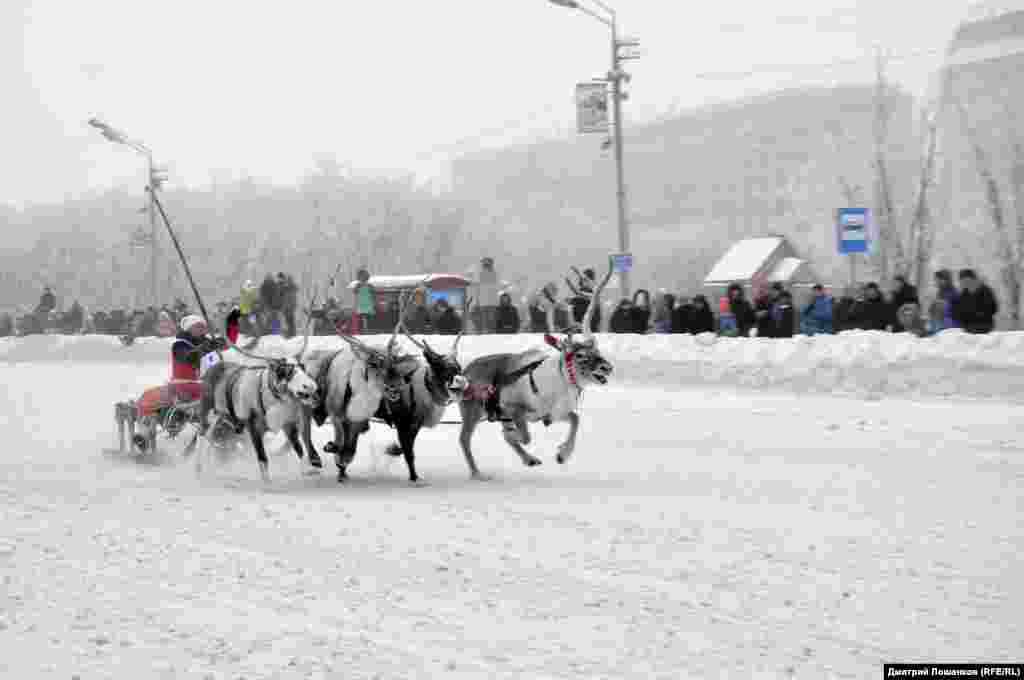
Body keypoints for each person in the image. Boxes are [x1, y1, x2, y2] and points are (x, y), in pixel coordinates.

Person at [133, 316, 226, 449]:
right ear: (189, 328)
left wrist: (222, 343)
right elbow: (189, 357)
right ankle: (145, 433)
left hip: (205, 386)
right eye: (198, 326)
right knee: (149, 398)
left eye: (203, 327)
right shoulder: (180, 345)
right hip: (183, 385)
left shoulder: (208, 345)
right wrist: (209, 346)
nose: (202, 329)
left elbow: (219, 356)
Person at [954, 269, 998, 334]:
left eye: (966, 280)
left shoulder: (985, 291)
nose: (965, 283)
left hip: (984, 326)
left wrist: (978, 314)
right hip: (968, 328)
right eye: (962, 281)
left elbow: (993, 308)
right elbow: (959, 311)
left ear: (973, 279)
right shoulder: (964, 294)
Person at [352, 268, 377, 334]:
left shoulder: (369, 286)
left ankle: (366, 329)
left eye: (364, 277)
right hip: (361, 304)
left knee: (366, 317)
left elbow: (374, 294)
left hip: (367, 304)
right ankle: (364, 329)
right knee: (363, 317)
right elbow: (354, 292)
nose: (362, 279)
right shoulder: (358, 286)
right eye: (361, 277)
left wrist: (374, 302)